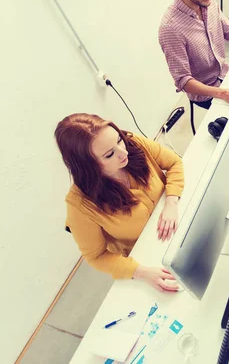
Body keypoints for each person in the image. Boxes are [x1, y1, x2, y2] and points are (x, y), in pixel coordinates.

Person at [55, 113, 184, 292]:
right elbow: (96, 256)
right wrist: (142, 272)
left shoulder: (132, 144)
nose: (123, 152)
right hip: (150, 254)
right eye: (109, 154)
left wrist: (171, 202)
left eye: (119, 140)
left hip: (181, 216)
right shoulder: (80, 205)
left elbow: (174, 163)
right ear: (88, 165)